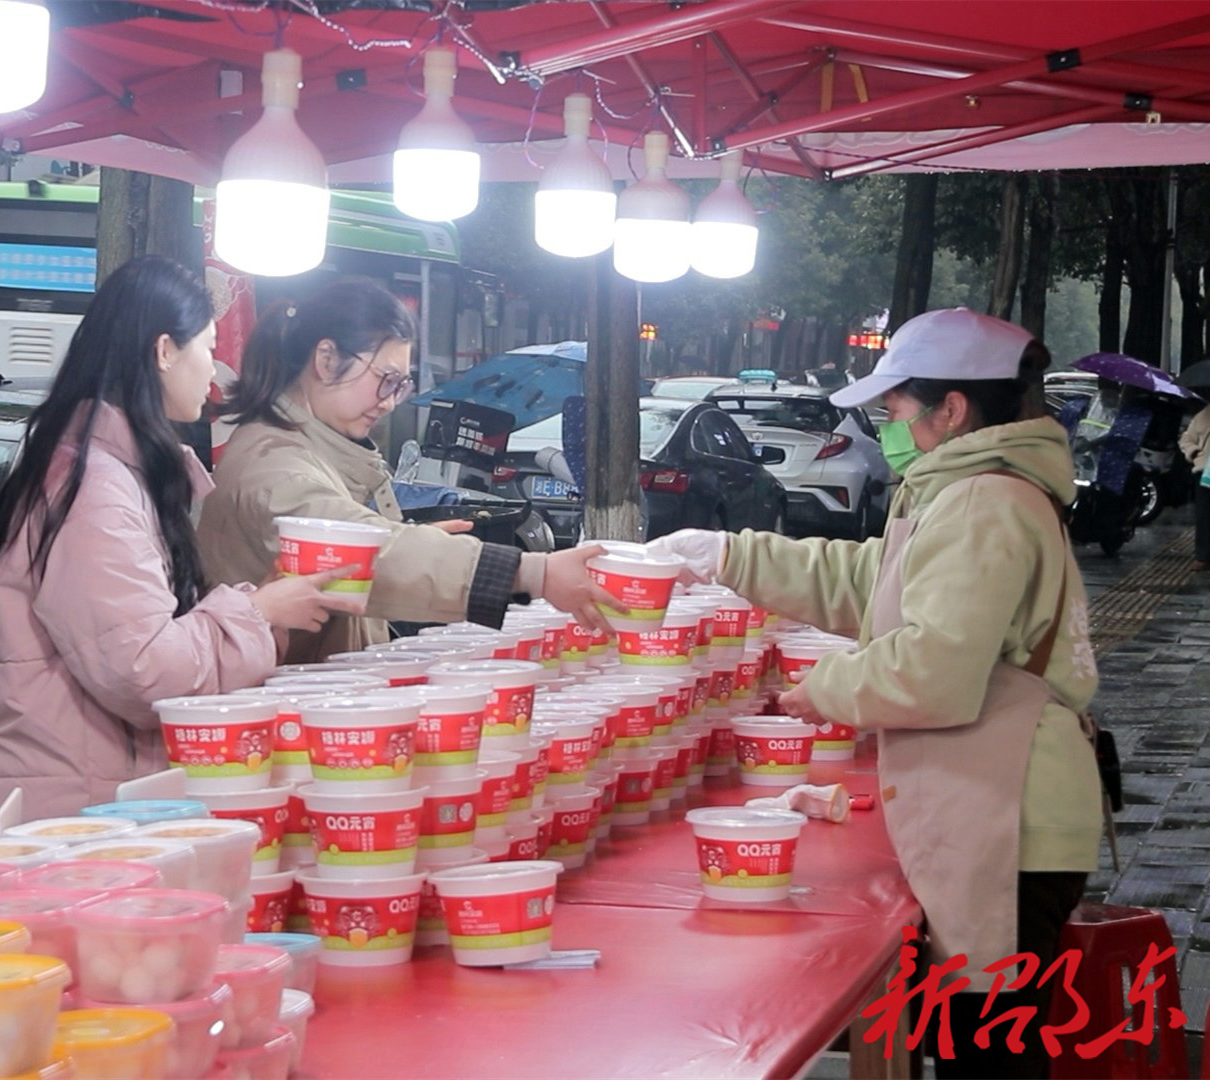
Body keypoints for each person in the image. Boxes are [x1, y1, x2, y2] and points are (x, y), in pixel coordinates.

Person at [651, 309, 1102, 1080]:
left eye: (894, 408)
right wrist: (730, 554)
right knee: (974, 1039)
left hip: (1011, 817)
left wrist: (820, 688)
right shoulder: (956, 492)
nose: (887, 425)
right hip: (990, 799)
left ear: (951, 409)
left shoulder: (985, 501)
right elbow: (867, 581)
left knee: (986, 1048)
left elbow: (935, 668)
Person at [0, 256, 353, 833]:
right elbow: (144, 670)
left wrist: (260, 605)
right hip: (65, 829)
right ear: (165, 351)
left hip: (87, 810)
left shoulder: (107, 471)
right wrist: (256, 612)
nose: (216, 376)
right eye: (208, 349)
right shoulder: (94, 488)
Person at [200, 279, 618, 661]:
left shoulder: (307, 448)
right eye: (386, 379)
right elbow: (372, 556)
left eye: (401, 386)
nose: (389, 402)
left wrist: (418, 543)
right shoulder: (275, 466)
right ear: (326, 360)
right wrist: (534, 573)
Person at [1180, 402, 1210, 571]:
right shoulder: (1204, 414)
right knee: (1204, 515)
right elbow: (1186, 438)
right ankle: (1203, 556)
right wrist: (1194, 452)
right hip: (1204, 471)